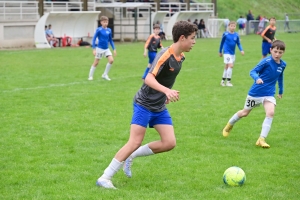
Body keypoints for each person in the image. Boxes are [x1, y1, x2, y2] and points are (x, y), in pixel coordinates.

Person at [96, 21, 198, 189]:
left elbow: (166, 79)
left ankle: (131, 156)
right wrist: (166, 91)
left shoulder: (182, 57)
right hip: (144, 104)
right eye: (192, 38)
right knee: (134, 141)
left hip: (158, 106)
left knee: (169, 142)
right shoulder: (166, 54)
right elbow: (149, 78)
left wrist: (164, 95)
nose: (194, 42)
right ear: (182, 38)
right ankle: (105, 177)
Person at [222, 40, 287, 149]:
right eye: (275, 51)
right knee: (244, 113)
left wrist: (281, 90)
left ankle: (261, 139)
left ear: (283, 53)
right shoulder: (266, 61)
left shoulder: (283, 64)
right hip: (256, 92)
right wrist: (257, 78)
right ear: (271, 50)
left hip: (269, 94)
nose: (277, 54)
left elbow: (280, 77)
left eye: (280, 52)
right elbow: (252, 71)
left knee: (270, 112)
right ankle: (229, 125)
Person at [88, 16, 116, 81]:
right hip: (100, 48)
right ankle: (90, 76)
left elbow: (110, 40)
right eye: (104, 22)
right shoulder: (99, 30)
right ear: (101, 22)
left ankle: (105, 75)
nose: (105, 23)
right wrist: (94, 49)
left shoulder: (109, 30)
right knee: (96, 63)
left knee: (111, 60)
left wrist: (114, 49)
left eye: (106, 22)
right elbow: (94, 39)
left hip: (106, 48)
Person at [219, 21, 244, 87]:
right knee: (231, 65)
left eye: (234, 26)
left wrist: (241, 50)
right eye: (231, 26)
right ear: (229, 26)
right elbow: (221, 43)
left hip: (233, 53)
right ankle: (228, 81)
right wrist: (220, 51)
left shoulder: (236, 35)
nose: (232, 27)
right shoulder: (225, 34)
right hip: (226, 52)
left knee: (227, 67)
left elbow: (238, 43)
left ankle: (222, 81)